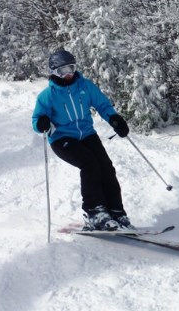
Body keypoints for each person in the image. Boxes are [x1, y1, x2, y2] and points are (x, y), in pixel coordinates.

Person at [32, 49, 132, 231]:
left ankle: (116, 211)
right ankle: (95, 213)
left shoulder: (85, 86)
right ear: (54, 71)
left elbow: (102, 104)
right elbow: (36, 119)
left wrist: (114, 119)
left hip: (86, 134)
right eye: (63, 70)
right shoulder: (48, 95)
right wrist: (42, 122)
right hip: (62, 138)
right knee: (90, 164)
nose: (68, 74)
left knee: (106, 168)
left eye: (71, 68)